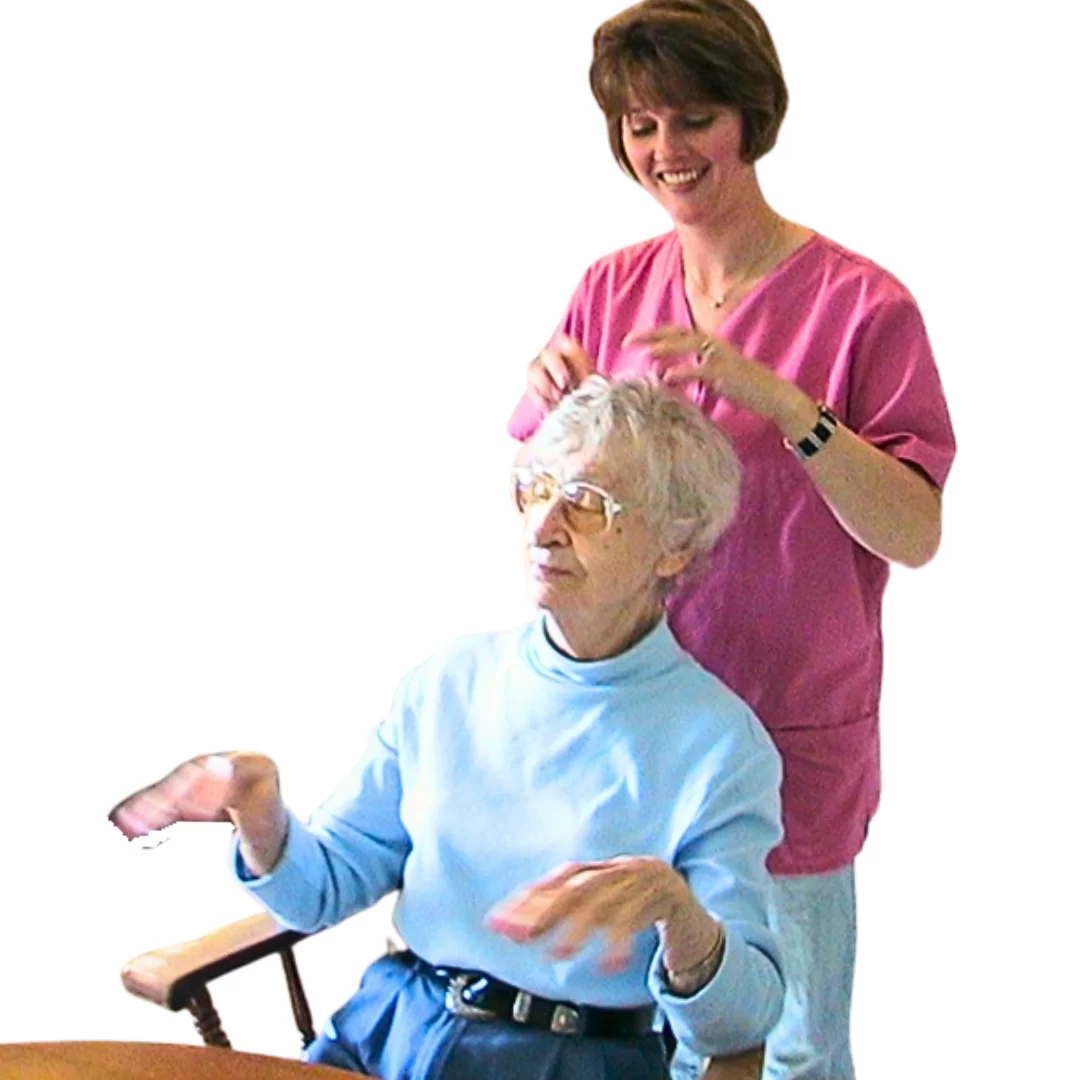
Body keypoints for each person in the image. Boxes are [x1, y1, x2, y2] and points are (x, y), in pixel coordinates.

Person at [507, 3, 957, 1078]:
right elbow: (545, 507)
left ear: (751, 116)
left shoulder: (862, 307)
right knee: (625, 1044)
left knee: (786, 1048)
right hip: (627, 740)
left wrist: (784, 404)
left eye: (693, 119)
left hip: (785, 737)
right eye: (641, 126)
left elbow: (915, 528)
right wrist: (532, 410)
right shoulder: (611, 289)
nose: (666, 153)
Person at [111, 377, 785, 1080]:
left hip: (572, 1059)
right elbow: (324, 889)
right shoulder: (450, 681)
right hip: (390, 1030)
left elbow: (741, 1021)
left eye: (586, 504)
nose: (544, 525)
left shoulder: (719, 747)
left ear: (674, 547)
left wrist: (680, 916)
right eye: (536, 488)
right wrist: (259, 814)